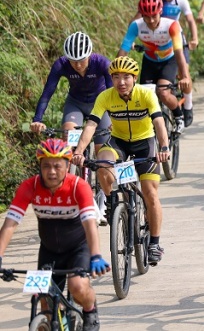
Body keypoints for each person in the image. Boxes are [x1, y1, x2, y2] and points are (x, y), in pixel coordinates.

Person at [0, 139, 110, 331]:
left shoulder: (78, 186)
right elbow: (10, 224)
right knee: (44, 301)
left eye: (57, 166)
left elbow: (89, 225)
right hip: (49, 250)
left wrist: (96, 255)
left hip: (78, 248)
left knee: (77, 287)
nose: (51, 171)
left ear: (67, 166)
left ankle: (90, 310)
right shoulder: (30, 186)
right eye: (46, 166)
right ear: (40, 167)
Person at [71, 56, 171, 266]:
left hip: (145, 143)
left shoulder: (146, 94)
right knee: (102, 163)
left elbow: (159, 122)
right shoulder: (105, 96)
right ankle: (111, 202)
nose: (121, 82)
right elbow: (91, 125)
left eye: (126, 77)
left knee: (151, 194)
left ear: (134, 78)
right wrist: (79, 152)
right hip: (119, 143)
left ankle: (154, 244)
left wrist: (163, 147)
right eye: (116, 77)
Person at [119, 0, 192, 134]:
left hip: (169, 60)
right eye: (146, 17)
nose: (151, 20)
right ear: (141, 15)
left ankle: (178, 116)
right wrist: (116, 75)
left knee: (163, 93)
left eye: (154, 16)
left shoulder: (171, 25)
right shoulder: (136, 26)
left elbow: (179, 53)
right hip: (150, 62)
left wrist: (184, 76)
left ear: (160, 12)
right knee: (144, 97)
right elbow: (123, 51)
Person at [31, 32, 113, 143]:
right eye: (73, 61)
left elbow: (113, 93)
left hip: (100, 105)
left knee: (102, 150)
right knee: (70, 140)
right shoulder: (61, 64)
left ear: (89, 55)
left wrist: (115, 118)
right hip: (75, 104)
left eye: (81, 60)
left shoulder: (102, 63)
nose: (78, 65)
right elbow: (46, 94)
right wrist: (37, 120)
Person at [157, 0, 197, 126]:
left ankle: (188, 105)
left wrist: (194, 38)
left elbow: (190, 20)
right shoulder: (157, 1)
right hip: (160, 42)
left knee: (184, 72)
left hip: (178, 40)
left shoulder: (181, 1)